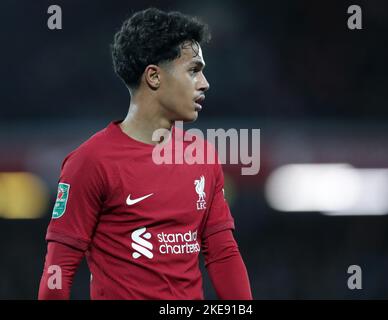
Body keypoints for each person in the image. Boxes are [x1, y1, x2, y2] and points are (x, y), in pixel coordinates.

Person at [38, 7, 252, 300]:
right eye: (194, 70)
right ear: (153, 76)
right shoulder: (90, 162)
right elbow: (58, 268)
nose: (205, 83)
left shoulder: (203, 158)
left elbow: (222, 252)